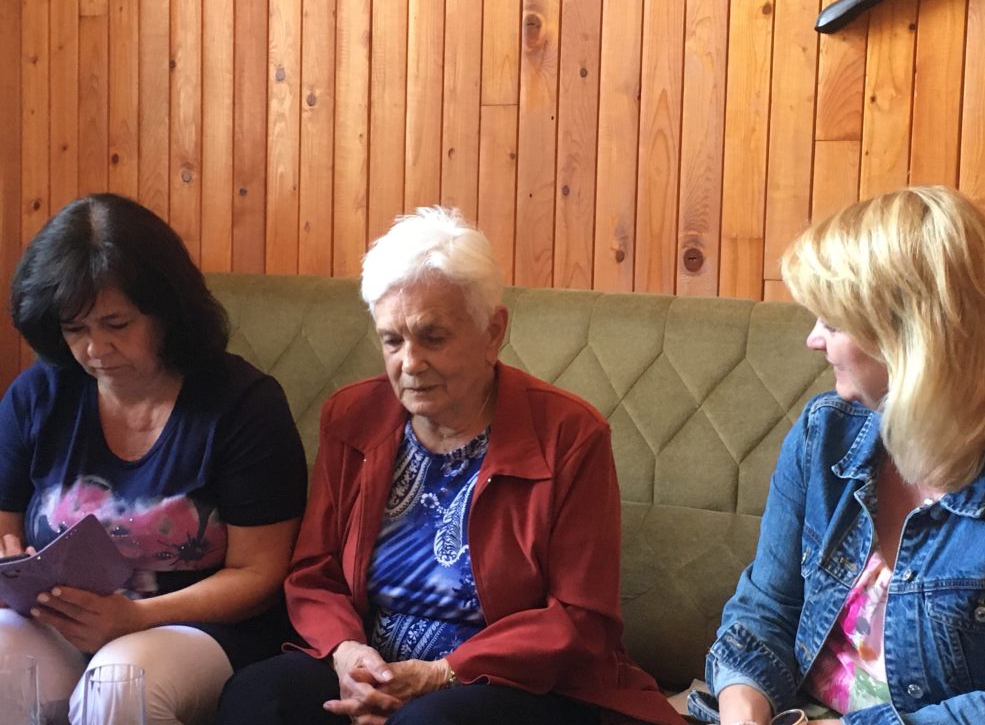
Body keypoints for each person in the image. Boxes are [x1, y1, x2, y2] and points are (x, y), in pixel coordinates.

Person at [216, 206, 683, 725]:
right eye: (392, 340)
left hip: (518, 682)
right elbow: (314, 572)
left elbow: (581, 618)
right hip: (375, 660)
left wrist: (443, 672)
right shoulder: (351, 417)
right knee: (257, 699)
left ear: (492, 332)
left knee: (429, 723)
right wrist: (347, 654)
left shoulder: (569, 435)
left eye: (432, 337)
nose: (410, 363)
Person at [687, 185, 985, 725]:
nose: (813, 340)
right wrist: (743, 715)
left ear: (910, 338)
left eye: (833, 322)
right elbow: (765, 611)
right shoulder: (824, 435)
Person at [0, 194, 308, 725]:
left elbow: (259, 573)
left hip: (195, 628)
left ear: (166, 310)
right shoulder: (38, 396)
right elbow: (3, 522)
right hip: (58, 621)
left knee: (118, 684)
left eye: (116, 324)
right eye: (75, 329)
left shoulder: (243, 403)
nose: (95, 350)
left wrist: (136, 616)